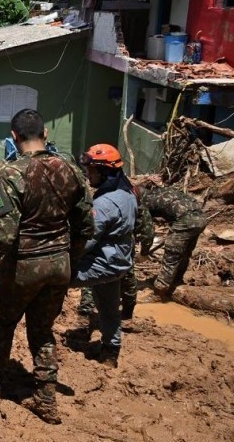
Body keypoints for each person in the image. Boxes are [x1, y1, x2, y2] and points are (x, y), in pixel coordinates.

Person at [0, 109, 94, 424]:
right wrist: (71, 257)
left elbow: (2, 232)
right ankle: (45, 396)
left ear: (14, 137)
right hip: (60, 265)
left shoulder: (12, 174)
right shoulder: (72, 170)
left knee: (3, 325)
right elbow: (85, 226)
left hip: (24, 266)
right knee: (42, 330)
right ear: (45, 133)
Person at [72, 144, 137, 368]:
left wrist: (62, 257)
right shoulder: (127, 193)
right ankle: (111, 352)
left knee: (54, 279)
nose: (88, 174)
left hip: (102, 264)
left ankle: (42, 333)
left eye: (92, 171)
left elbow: (86, 241)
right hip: (119, 262)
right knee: (109, 309)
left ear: (105, 172)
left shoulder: (104, 203)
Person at [135, 179, 208, 300]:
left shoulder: (146, 202)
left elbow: (148, 231)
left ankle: (160, 291)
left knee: (171, 255)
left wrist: (144, 253)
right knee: (184, 252)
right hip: (201, 219)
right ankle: (177, 280)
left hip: (185, 221)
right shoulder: (162, 192)